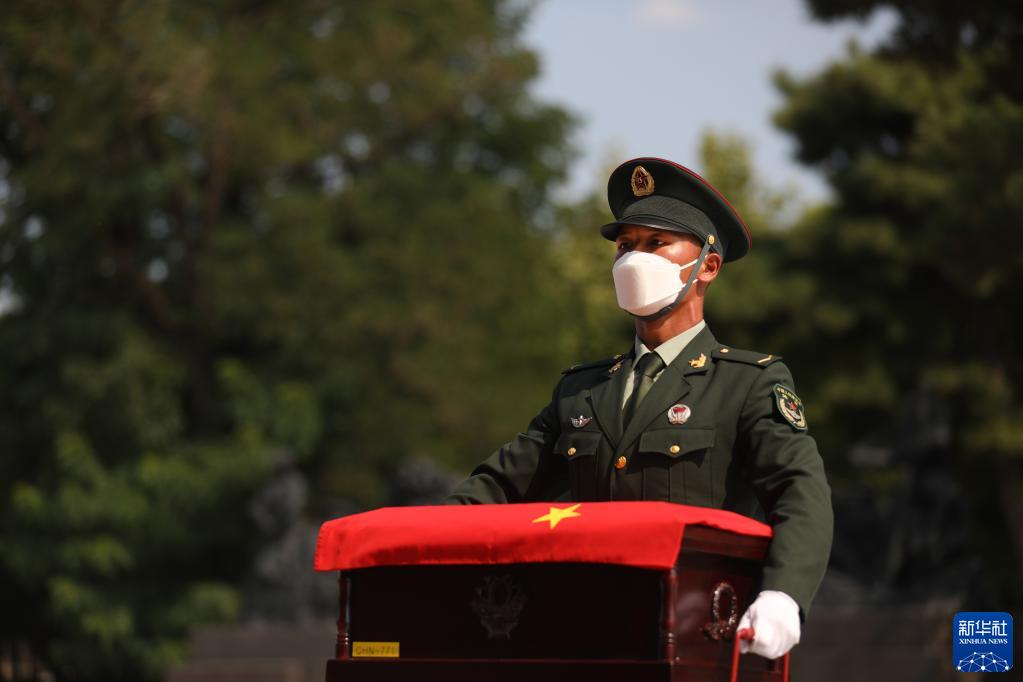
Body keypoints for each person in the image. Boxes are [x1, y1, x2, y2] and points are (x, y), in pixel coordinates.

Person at [444, 157, 833, 661]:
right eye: (625, 245)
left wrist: (784, 593)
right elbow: (496, 488)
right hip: (584, 640)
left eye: (656, 243)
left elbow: (800, 493)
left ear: (707, 266)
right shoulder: (581, 390)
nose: (634, 259)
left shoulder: (748, 383)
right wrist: (413, 548)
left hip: (695, 641)